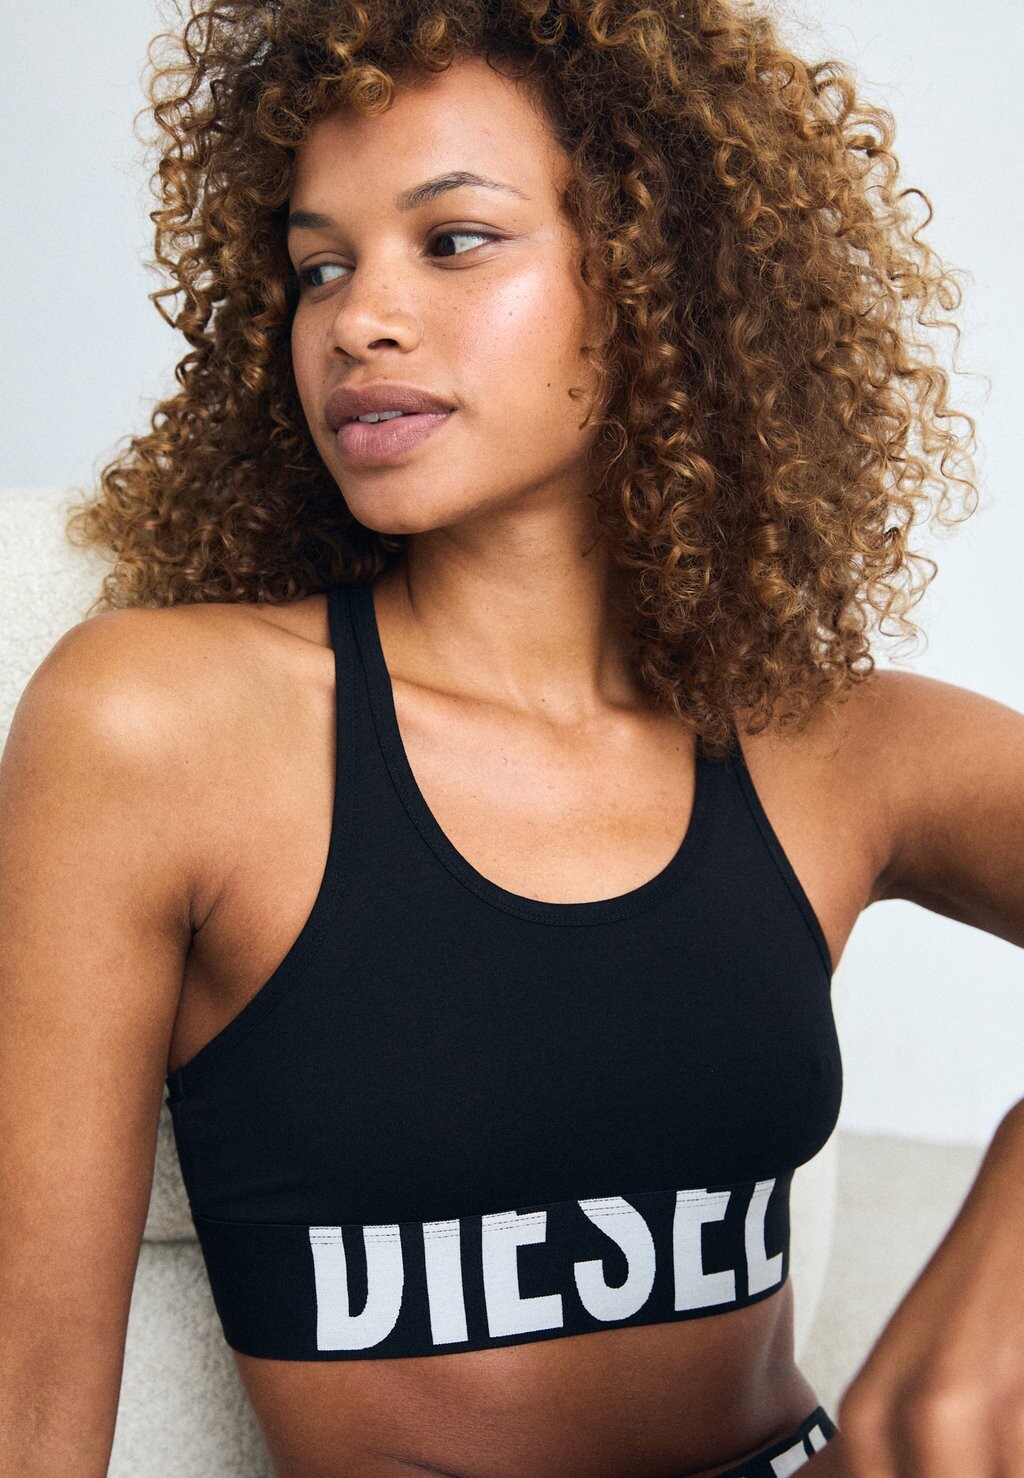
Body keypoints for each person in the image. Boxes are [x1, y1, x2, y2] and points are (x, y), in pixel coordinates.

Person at [1, 0, 1021, 1473]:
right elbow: (29, 1415)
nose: (360, 319)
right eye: (318, 267)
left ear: (654, 274)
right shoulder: (158, 726)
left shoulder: (831, 745)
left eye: (455, 240)